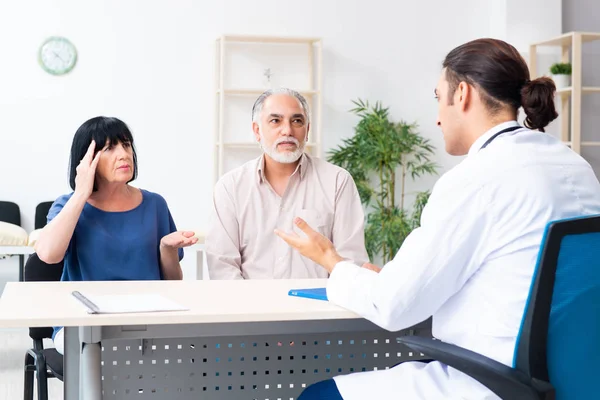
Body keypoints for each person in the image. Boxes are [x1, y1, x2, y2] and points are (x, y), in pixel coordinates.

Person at [275, 38, 600, 399]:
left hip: (495, 383)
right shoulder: (576, 167)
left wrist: (331, 260)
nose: (437, 117)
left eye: (437, 97)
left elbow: (393, 306)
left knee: (317, 395)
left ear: (461, 94)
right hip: (574, 382)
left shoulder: (477, 178)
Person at [35, 116, 197, 355]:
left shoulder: (155, 204)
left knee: (193, 354)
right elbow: (48, 254)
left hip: (146, 321)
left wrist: (167, 248)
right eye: (110, 148)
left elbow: (173, 284)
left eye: (126, 144)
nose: (124, 154)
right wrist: (81, 194)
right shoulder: (68, 206)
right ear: (87, 159)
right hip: (86, 324)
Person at [205, 88, 368, 280]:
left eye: (297, 121)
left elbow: (351, 262)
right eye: (275, 121)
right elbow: (223, 267)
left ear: (307, 131)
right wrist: (249, 308)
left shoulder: (337, 181)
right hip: (251, 306)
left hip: (320, 307)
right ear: (257, 130)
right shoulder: (230, 187)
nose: (288, 130)